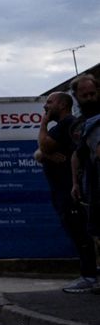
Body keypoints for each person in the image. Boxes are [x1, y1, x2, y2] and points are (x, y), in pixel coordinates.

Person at [36, 91, 97, 293]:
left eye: (49, 102)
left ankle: (89, 276)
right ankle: (88, 275)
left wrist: (44, 123)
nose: (46, 106)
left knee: (81, 233)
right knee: (78, 233)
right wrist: (46, 154)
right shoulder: (64, 127)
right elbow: (38, 152)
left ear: (62, 105)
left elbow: (42, 145)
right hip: (63, 189)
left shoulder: (66, 124)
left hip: (69, 190)